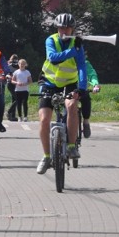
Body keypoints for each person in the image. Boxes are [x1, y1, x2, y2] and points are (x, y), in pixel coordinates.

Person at [36, 13, 87, 175]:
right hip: (49, 83)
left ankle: (71, 147)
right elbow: (53, 58)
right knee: (44, 120)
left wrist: (82, 88)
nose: (64, 30)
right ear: (57, 28)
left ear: (72, 29)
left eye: (67, 27)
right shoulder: (51, 40)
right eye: (60, 27)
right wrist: (73, 50)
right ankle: (46, 156)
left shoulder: (77, 44)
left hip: (69, 83)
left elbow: (81, 67)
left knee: (72, 106)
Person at [81, 56, 101, 138]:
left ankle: (86, 122)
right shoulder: (64, 61)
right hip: (67, 89)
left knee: (86, 97)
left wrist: (95, 85)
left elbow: (91, 75)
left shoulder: (85, 63)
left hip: (81, 89)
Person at [6, 54, 20, 121]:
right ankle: (9, 112)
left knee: (14, 99)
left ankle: (12, 116)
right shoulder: (9, 66)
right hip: (10, 84)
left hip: (15, 84)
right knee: (18, 99)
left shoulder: (18, 67)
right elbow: (7, 74)